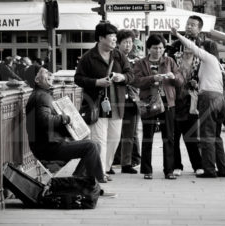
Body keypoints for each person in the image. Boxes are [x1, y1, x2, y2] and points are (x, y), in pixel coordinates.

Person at [25, 66, 106, 184]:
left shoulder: (42, 94)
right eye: (46, 73)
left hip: (51, 144)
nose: (50, 74)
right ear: (37, 80)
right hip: (49, 148)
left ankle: (80, 181)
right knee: (91, 146)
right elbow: (44, 120)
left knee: (95, 145)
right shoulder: (41, 96)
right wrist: (66, 118)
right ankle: (82, 182)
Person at [74, 22, 133, 180]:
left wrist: (122, 77)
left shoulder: (118, 55)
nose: (115, 40)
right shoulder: (88, 57)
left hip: (117, 105)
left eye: (115, 37)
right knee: (99, 141)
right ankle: (98, 173)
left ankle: (105, 169)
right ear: (101, 38)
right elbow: (78, 78)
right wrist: (96, 82)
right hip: (96, 105)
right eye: (111, 37)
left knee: (114, 139)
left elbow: (130, 74)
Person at [171, 27, 225, 178]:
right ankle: (223, 169)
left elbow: (192, 47)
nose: (199, 49)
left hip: (208, 98)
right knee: (216, 136)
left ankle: (209, 170)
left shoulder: (208, 58)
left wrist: (177, 34)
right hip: (219, 99)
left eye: (202, 47)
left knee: (207, 136)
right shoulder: (218, 64)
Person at [132, 34, 183, 180]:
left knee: (169, 137)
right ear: (149, 48)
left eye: (161, 48)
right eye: (155, 48)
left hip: (167, 102)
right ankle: (147, 170)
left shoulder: (169, 61)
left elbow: (180, 79)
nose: (158, 51)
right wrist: (152, 78)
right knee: (147, 136)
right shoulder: (141, 63)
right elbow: (136, 81)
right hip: (148, 102)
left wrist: (174, 77)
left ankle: (169, 170)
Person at [173, 34, 204, 176]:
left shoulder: (200, 61)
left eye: (191, 44)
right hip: (174, 100)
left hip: (191, 101)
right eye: (185, 43)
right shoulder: (174, 58)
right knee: (174, 137)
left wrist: (197, 84)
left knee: (191, 136)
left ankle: (197, 165)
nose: (188, 47)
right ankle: (176, 165)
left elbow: (203, 79)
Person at [114, 29, 141, 174]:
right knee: (114, 132)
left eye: (130, 42)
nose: (128, 45)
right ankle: (111, 161)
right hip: (116, 99)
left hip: (131, 99)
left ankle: (127, 162)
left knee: (130, 134)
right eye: (125, 42)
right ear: (118, 43)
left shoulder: (136, 60)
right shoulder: (113, 59)